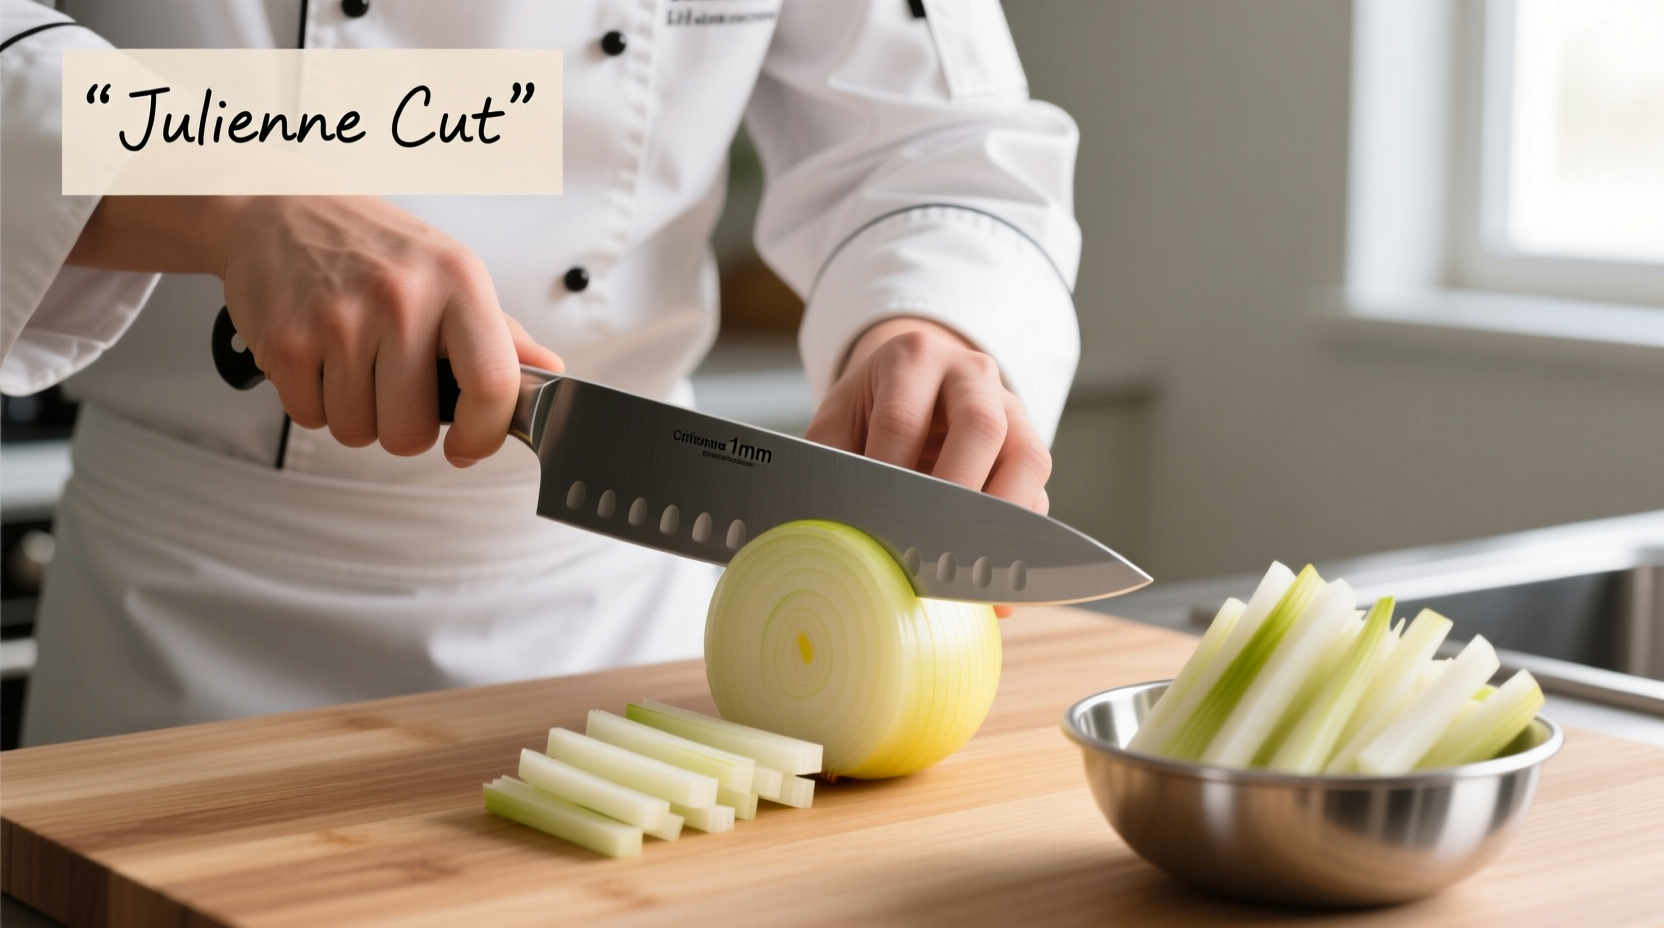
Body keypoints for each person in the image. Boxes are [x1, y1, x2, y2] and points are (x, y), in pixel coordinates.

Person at [0, 0, 1081, 745]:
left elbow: (934, 132)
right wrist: (230, 188)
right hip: (186, 631)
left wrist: (934, 316)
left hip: (630, 638)